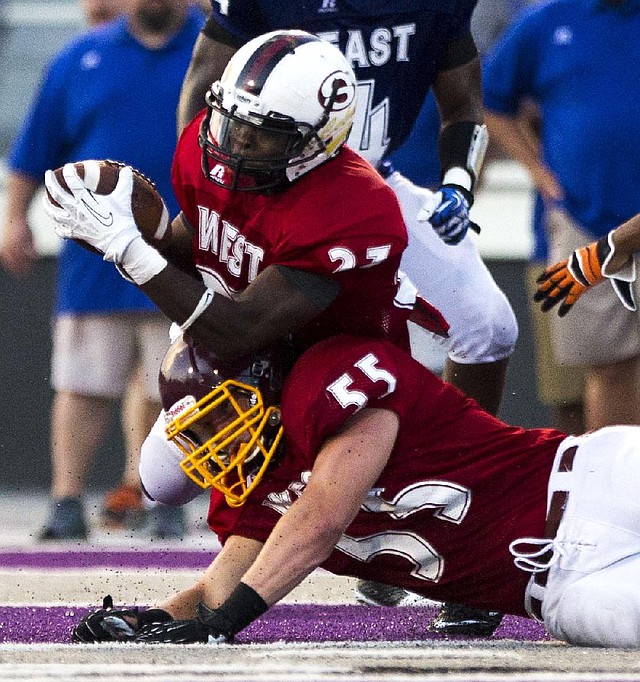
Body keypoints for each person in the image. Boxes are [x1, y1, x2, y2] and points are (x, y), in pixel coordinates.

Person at [172, 0, 519, 632]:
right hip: (269, 194)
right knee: (169, 460)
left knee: (490, 324)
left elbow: (465, 104)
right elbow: (204, 81)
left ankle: (464, 519)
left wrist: (459, 182)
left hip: (369, 189)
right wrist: (217, 203)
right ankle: (274, 521)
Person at [70, 332, 640, 649]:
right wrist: (146, 621)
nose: (220, 440)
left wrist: (222, 626)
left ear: (262, 383)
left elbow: (320, 518)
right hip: (560, 593)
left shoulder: (335, 374)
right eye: (202, 432)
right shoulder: (253, 489)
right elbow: (218, 592)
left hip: (594, 482)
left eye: (223, 417)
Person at [0, 0, 204, 540]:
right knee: (82, 384)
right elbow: (33, 152)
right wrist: (12, 219)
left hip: (185, 251)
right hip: (93, 258)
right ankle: (66, 501)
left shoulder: (218, 48)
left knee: (177, 382)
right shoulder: (78, 58)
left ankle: (165, 498)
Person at [482, 0, 640, 432]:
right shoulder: (544, 21)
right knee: (598, 372)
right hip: (582, 224)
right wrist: (536, 169)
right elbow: (490, 98)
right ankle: (610, 491)